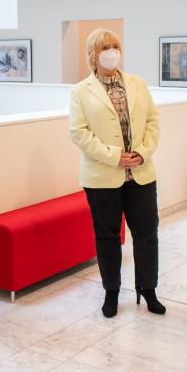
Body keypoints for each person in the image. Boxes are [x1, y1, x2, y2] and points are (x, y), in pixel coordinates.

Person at [69, 29, 163, 318]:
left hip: (140, 173)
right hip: (102, 177)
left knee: (146, 234)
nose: (111, 51)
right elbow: (79, 133)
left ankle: (148, 289)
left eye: (114, 45)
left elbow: (152, 121)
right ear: (92, 55)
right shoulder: (81, 91)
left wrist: (143, 152)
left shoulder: (137, 84)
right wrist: (114, 157)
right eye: (104, 47)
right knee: (107, 236)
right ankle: (111, 292)